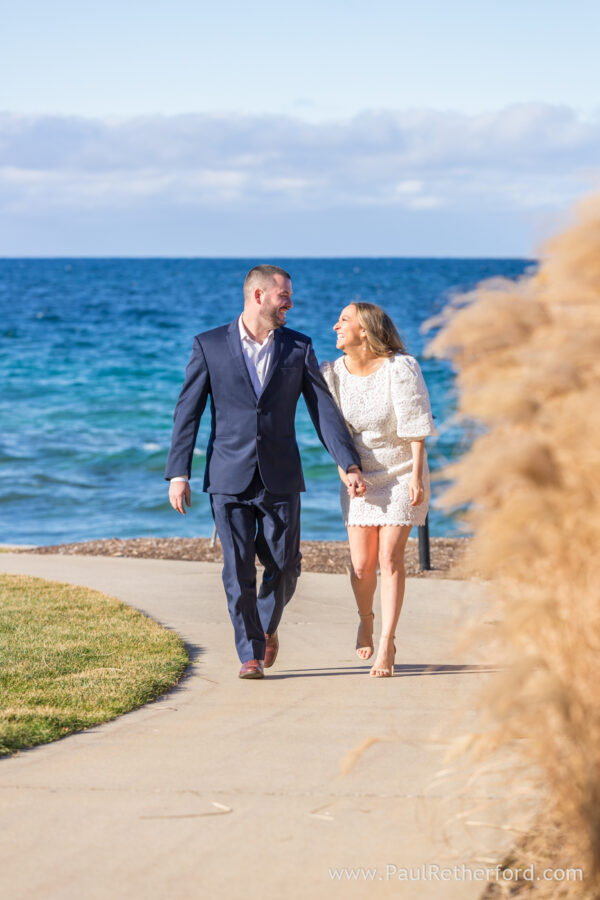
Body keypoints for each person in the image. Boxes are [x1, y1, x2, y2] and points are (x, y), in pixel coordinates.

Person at [165, 265, 365, 679]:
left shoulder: (298, 347)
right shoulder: (209, 346)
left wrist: (347, 462)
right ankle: (250, 654)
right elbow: (188, 412)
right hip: (227, 475)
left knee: (287, 564)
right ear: (259, 296)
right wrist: (178, 473)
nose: (290, 303)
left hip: (281, 475)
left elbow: (323, 411)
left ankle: (265, 628)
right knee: (237, 567)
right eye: (283, 296)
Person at [321, 302, 436, 678]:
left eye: (344, 320)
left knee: (389, 557)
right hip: (358, 473)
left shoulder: (400, 368)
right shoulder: (331, 374)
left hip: (402, 470)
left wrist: (417, 476)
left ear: (365, 330)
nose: (335, 325)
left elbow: (416, 427)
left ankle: (387, 641)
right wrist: (345, 472)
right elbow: (333, 433)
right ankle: (366, 618)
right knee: (361, 566)